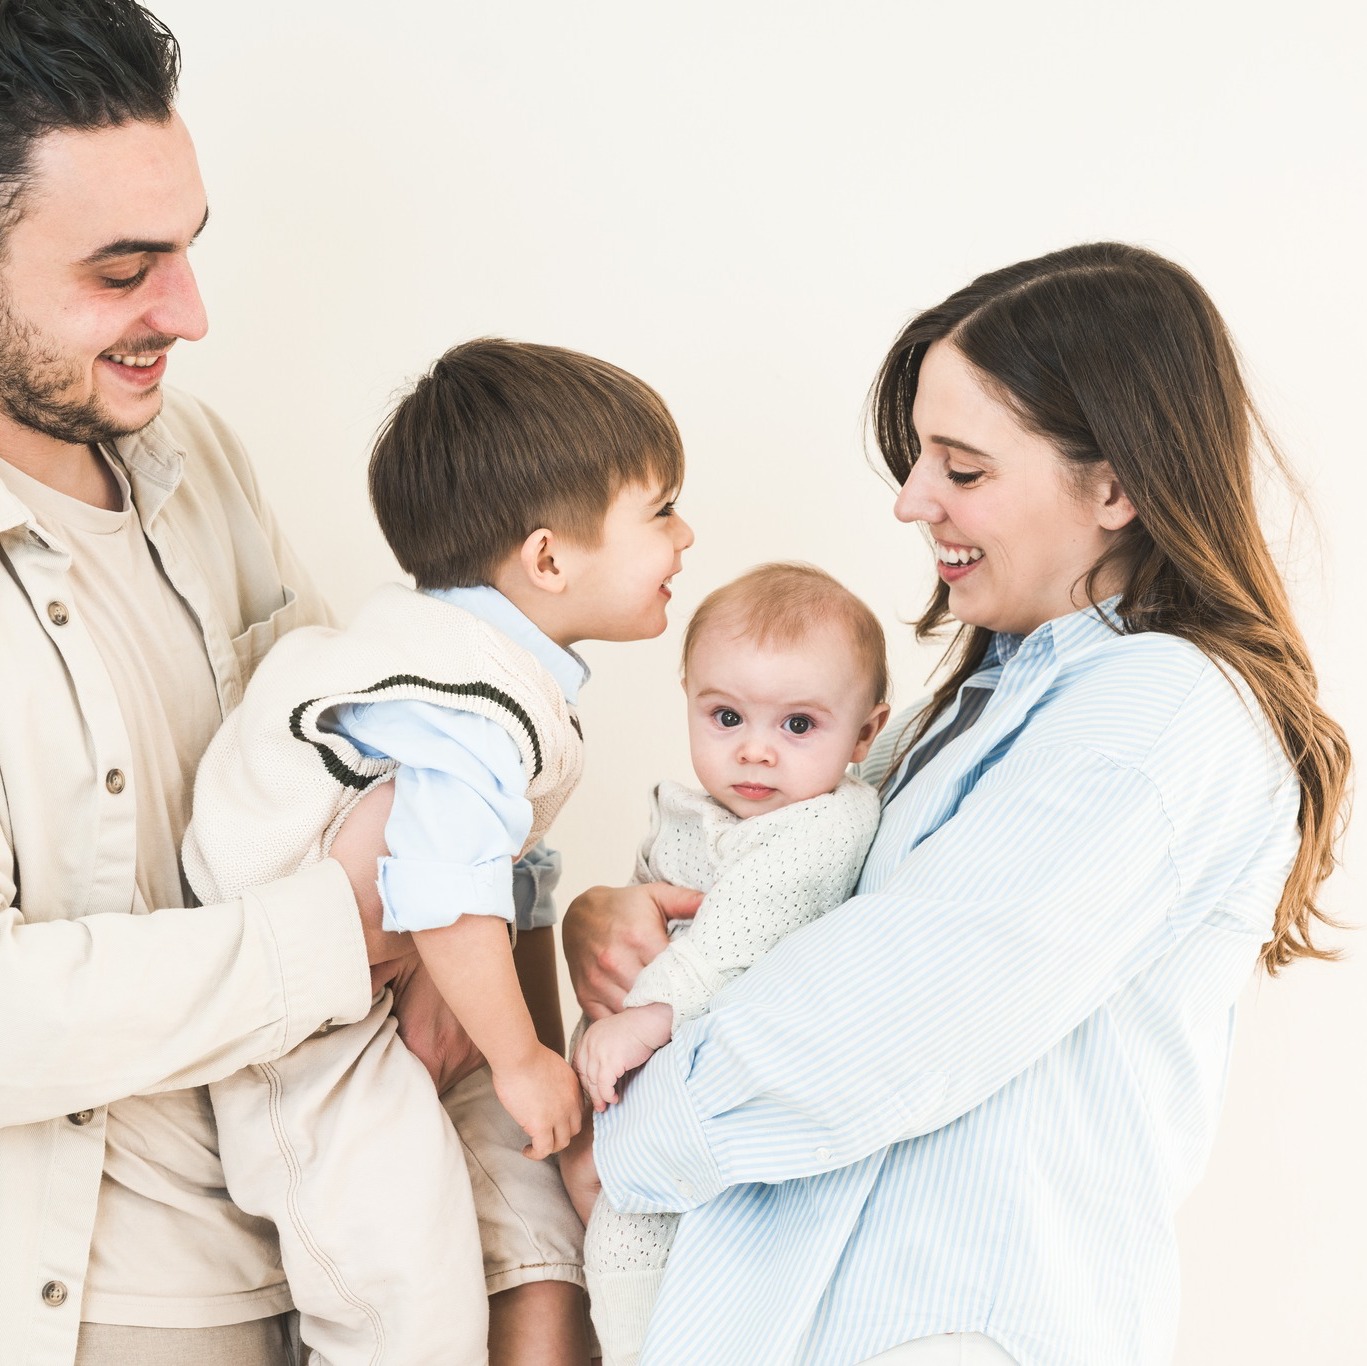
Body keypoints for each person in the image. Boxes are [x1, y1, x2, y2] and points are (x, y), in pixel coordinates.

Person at [562, 242, 1352, 1365]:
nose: (909, 499)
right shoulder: (991, 693)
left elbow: (886, 1014)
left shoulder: (1158, 711)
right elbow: (780, 883)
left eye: (960, 467)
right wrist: (614, 919)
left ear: (1115, 486)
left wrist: (629, 1132)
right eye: (916, 458)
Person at [0, 5, 531, 1364]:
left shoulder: (197, 462)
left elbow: (395, 750)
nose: (186, 313)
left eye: (185, 252)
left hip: (321, 1265)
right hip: (93, 1315)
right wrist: (335, 932)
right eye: (124, 270)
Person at [181, 337, 693, 1365]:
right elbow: (445, 892)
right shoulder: (466, 700)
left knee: (528, 1257)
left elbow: (483, 874)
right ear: (548, 558)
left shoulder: (467, 661)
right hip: (303, 1044)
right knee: (405, 1307)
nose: (686, 536)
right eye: (661, 510)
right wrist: (522, 1059)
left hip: (377, 994)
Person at [562, 562, 889, 1364]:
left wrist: (649, 1014)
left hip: (704, 1082)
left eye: (798, 726)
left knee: (628, 1245)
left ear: (865, 734)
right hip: (631, 1078)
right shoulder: (695, 810)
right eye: (725, 715)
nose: (755, 751)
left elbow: (733, 940)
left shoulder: (823, 825)